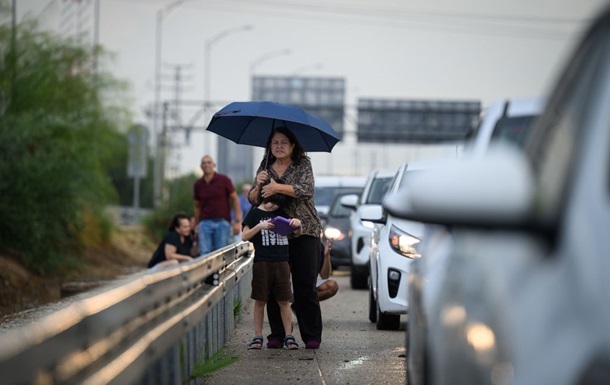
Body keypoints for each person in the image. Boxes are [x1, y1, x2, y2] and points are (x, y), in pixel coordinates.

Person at [248, 126, 324, 349]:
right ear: (270, 147)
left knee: (305, 285)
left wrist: (276, 186)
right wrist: (259, 183)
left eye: (283, 142)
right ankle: (277, 334)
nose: (279, 146)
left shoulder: (303, 164)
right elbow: (254, 199)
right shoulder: (264, 167)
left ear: (292, 146)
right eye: (275, 143)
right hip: (274, 233)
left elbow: (306, 189)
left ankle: (311, 335)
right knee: (275, 287)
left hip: (305, 230)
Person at [242, 190, 303, 350]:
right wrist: (260, 226)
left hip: (282, 262)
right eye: (272, 203)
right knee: (260, 300)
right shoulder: (254, 214)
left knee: (284, 300)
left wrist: (297, 224)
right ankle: (257, 336)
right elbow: (244, 236)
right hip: (263, 262)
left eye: (277, 204)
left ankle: (289, 336)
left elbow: (297, 232)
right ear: (265, 198)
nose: (274, 207)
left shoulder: (280, 212)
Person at [193, 155, 242, 255]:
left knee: (221, 253)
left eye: (209, 162)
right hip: (204, 222)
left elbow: (235, 199)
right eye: (204, 163)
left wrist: (237, 221)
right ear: (201, 166)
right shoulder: (198, 184)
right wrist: (196, 225)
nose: (206, 165)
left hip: (222, 222)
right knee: (204, 253)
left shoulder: (224, 180)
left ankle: (220, 271)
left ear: (214, 165)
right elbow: (197, 206)